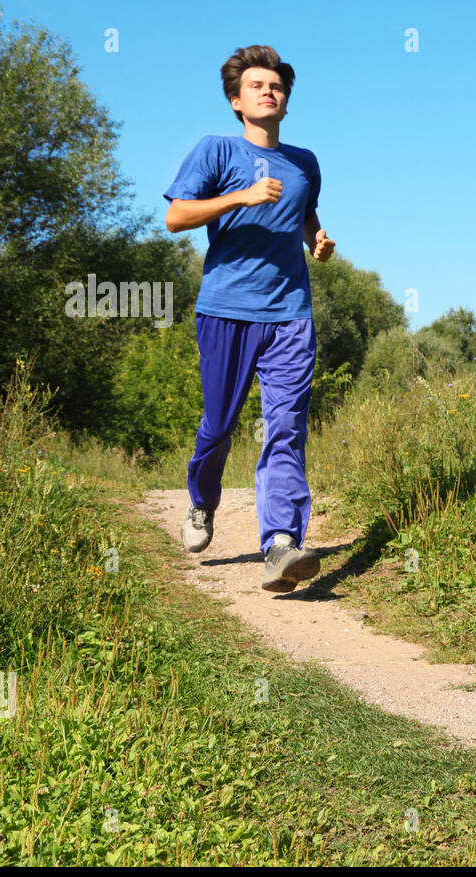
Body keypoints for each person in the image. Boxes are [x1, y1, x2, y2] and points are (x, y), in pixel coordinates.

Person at [163, 44, 334, 593]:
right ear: (237, 101)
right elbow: (175, 217)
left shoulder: (305, 162)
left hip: (290, 312)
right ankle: (201, 503)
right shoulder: (215, 150)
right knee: (219, 425)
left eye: (277, 86)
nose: (269, 91)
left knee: (285, 426)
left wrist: (318, 242)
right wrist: (241, 197)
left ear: (286, 101)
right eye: (257, 86)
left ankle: (280, 543)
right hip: (226, 308)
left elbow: (305, 217)